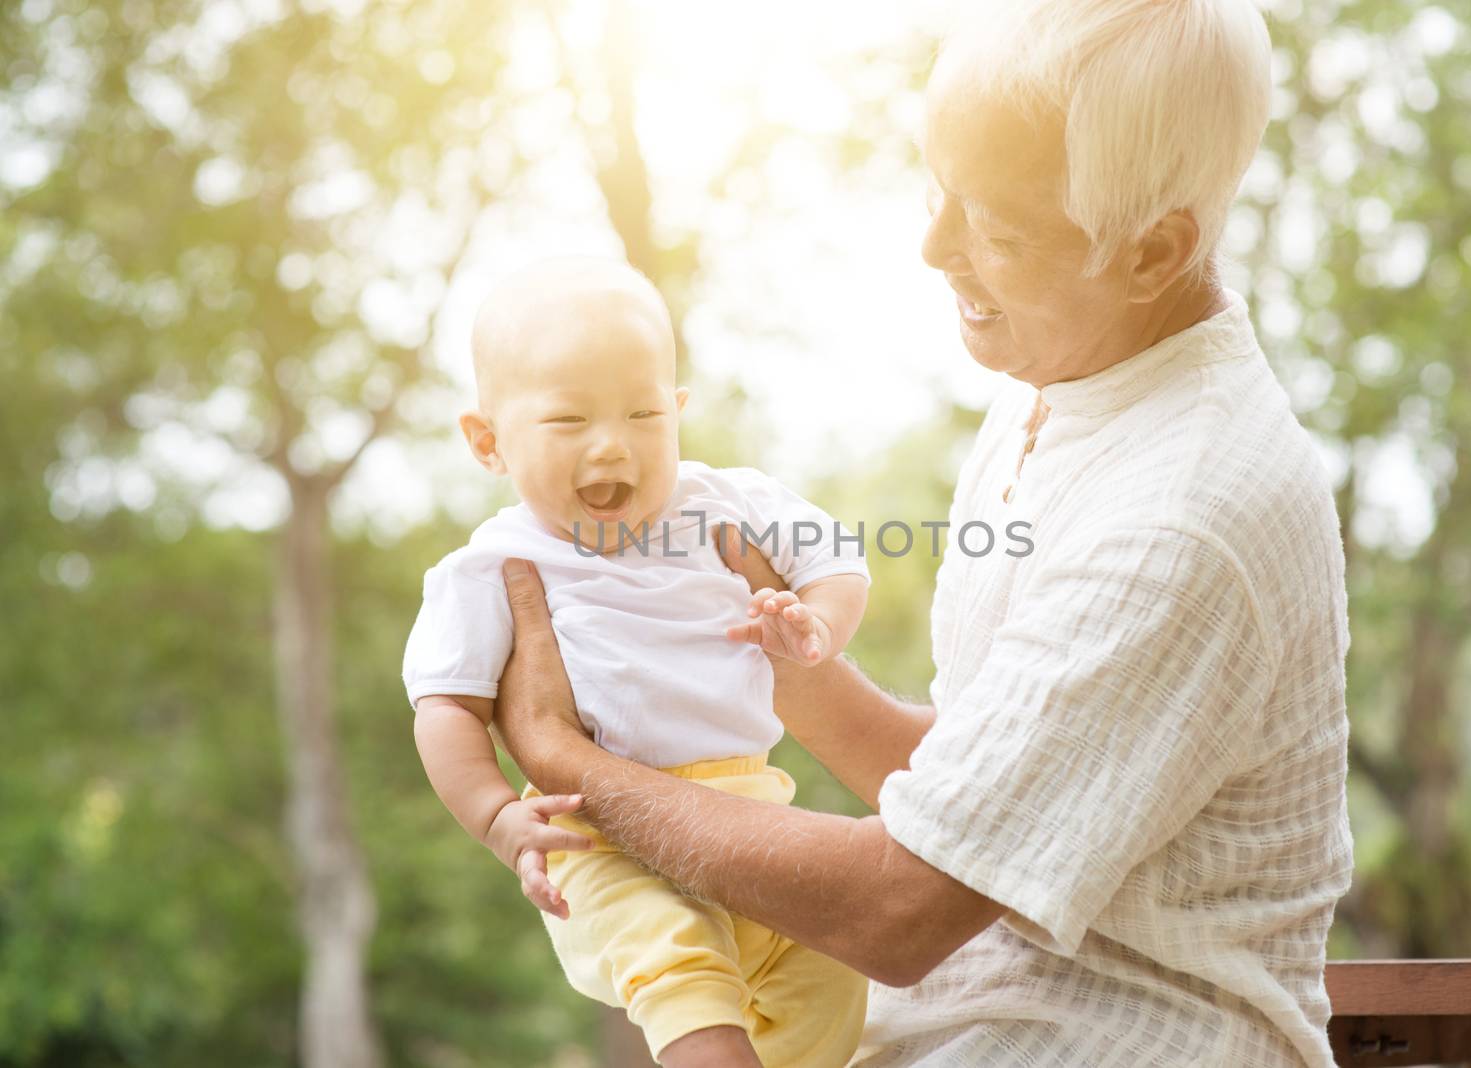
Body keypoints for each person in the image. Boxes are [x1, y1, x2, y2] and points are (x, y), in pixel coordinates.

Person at [492, 0, 1355, 1064]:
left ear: (1152, 251)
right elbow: (979, 787)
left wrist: (565, 761)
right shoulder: (1061, 381)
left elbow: (895, 910)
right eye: (938, 192)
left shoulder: (1183, 516)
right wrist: (774, 656)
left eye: (995, 229)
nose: (933, 246)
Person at [402, 259, 870, 1067]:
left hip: (751, 801)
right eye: (569, 420)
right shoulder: (494, 565)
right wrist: (495, 818)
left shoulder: (724, 500)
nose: (613, 445)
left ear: (679, 412)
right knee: (678, 963)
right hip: (602, 836)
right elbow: (445, 708)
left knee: (826, 954)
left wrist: (815, 623)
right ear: (488, 441)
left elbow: (836, 560)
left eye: (644, 412)